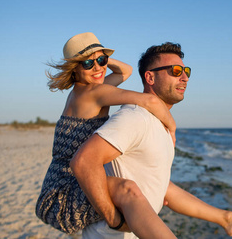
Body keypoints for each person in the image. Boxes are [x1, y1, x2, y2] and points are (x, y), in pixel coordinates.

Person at [71, 42, 232, 238]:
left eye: (186, 71)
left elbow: (162, 186)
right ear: (150, 77)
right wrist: (113, 219)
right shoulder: (135, 118)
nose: (184, 77)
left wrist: (225, 217)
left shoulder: (160, 124)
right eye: (175, 71)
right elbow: (85, 161)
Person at [35, 32, 178, 235]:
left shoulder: (83, 90)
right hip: (63, 194)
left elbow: (126, 71)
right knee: (128, 190)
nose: (98, 68)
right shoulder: (94, 93)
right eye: (87, 64)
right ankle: (118, 222)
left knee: (152, 188)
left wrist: (96, 58)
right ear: (74, 68)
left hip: (56, 186)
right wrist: (171, 128)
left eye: (102, 60)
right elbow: (151, 101)